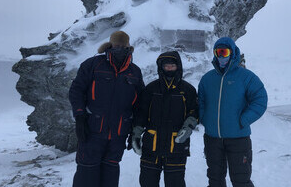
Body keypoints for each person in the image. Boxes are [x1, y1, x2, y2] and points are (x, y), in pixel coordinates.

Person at [69, 31, 145, 187]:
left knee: (110, 176)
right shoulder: (93, 64)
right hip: (92, 131)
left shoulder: (134, 72)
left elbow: (140, 103)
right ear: (110, 45)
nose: (120, 48)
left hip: (118, 135)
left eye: (124, 45)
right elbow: (76, 90)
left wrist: (134, 130)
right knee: (86, 175)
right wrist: (80, 117)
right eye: (117, 44)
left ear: (128, 47)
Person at [198, 37, 267, 187]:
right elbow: (200, 101)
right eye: (218, 52)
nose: (221, 56)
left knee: (241, 179)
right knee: (215, 179)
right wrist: (204, 118)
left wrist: (244, 120)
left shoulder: (246, 77)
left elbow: (260, 99)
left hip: (238, 139)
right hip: (212, 138)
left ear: (233, 53)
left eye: (225, 52)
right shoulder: (207, 79)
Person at [131, 51, 198, 187]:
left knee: (175, 183)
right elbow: (141, 113)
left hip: (177, 145)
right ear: (160, 67)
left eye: (172, 66)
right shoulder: (151, 89)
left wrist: (188, 128)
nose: (169, 69)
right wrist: (136, 133)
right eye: (166, 66)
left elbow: (194, 112)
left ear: (178, 67)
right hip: (151, 144)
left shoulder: (188, 90)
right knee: (147, 182)